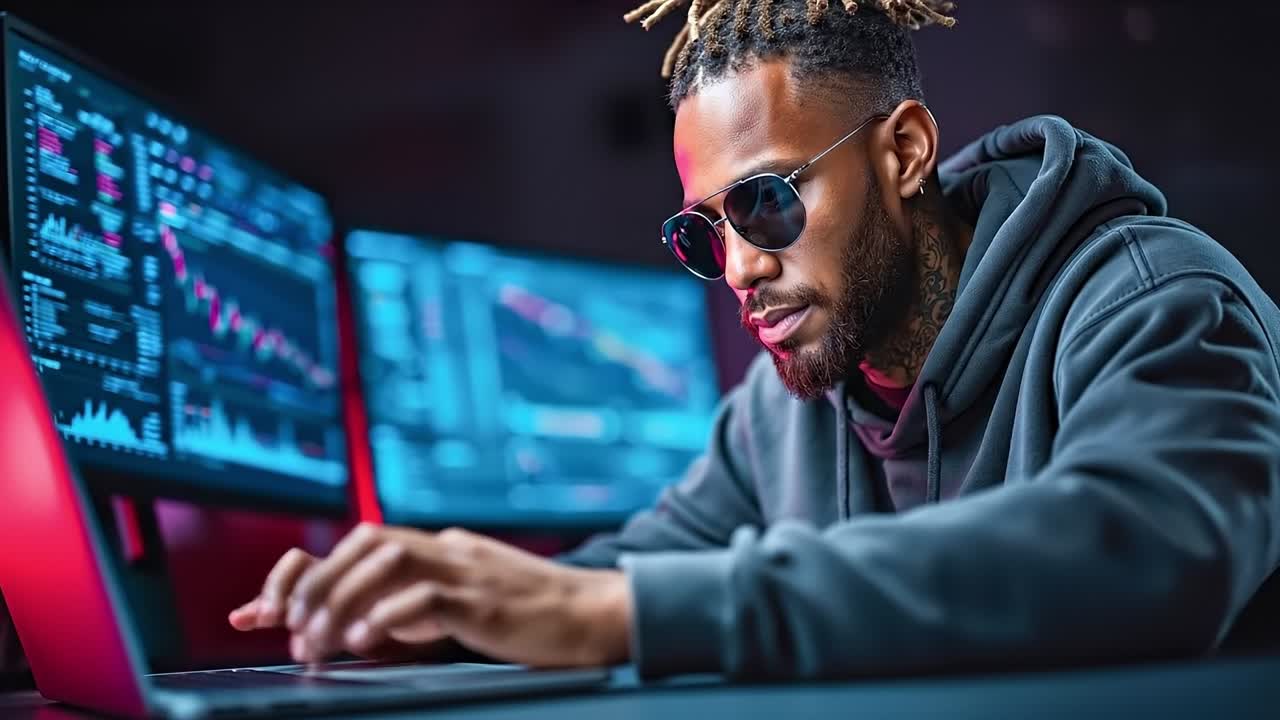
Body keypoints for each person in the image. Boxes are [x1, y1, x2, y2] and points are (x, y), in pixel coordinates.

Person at [228, 0, 1280, 679]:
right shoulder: (782, 413)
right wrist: (439, 606)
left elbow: (1152, 544)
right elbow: (623, 573)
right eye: (703, 231)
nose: (736, 268)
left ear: (905, 152)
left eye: (766, 203)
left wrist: (622, 613)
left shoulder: (1149, 297)